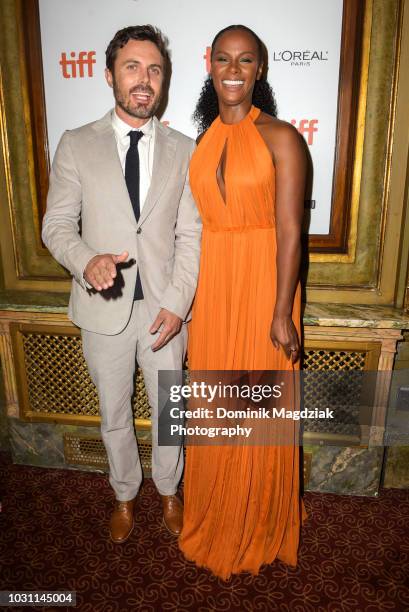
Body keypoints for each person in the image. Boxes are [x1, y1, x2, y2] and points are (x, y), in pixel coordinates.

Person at [42, 25, 201, 543]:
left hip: (165, 310)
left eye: (154, 70)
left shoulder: (184, 148)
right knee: (114, 414)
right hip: (101, 309)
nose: (144, 79)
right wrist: (86, 260)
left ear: (164, 81)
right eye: (132, 67)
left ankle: (170, 492)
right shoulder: (76, 144)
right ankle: (125, 495)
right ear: (109, 74)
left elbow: (190, 234)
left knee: (169, 411)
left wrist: (178, 303)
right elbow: (57, 225)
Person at [178, 24, 307, 579]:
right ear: (210, 65)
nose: (233, 70)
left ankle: (258, 521)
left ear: (261, 69)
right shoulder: (202, 141)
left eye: (246, 60)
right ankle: (217, 513)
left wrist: (281, 311)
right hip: (216, 288)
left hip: (264, 287)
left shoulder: (282, 137)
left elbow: (291, 233)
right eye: (224, 59)